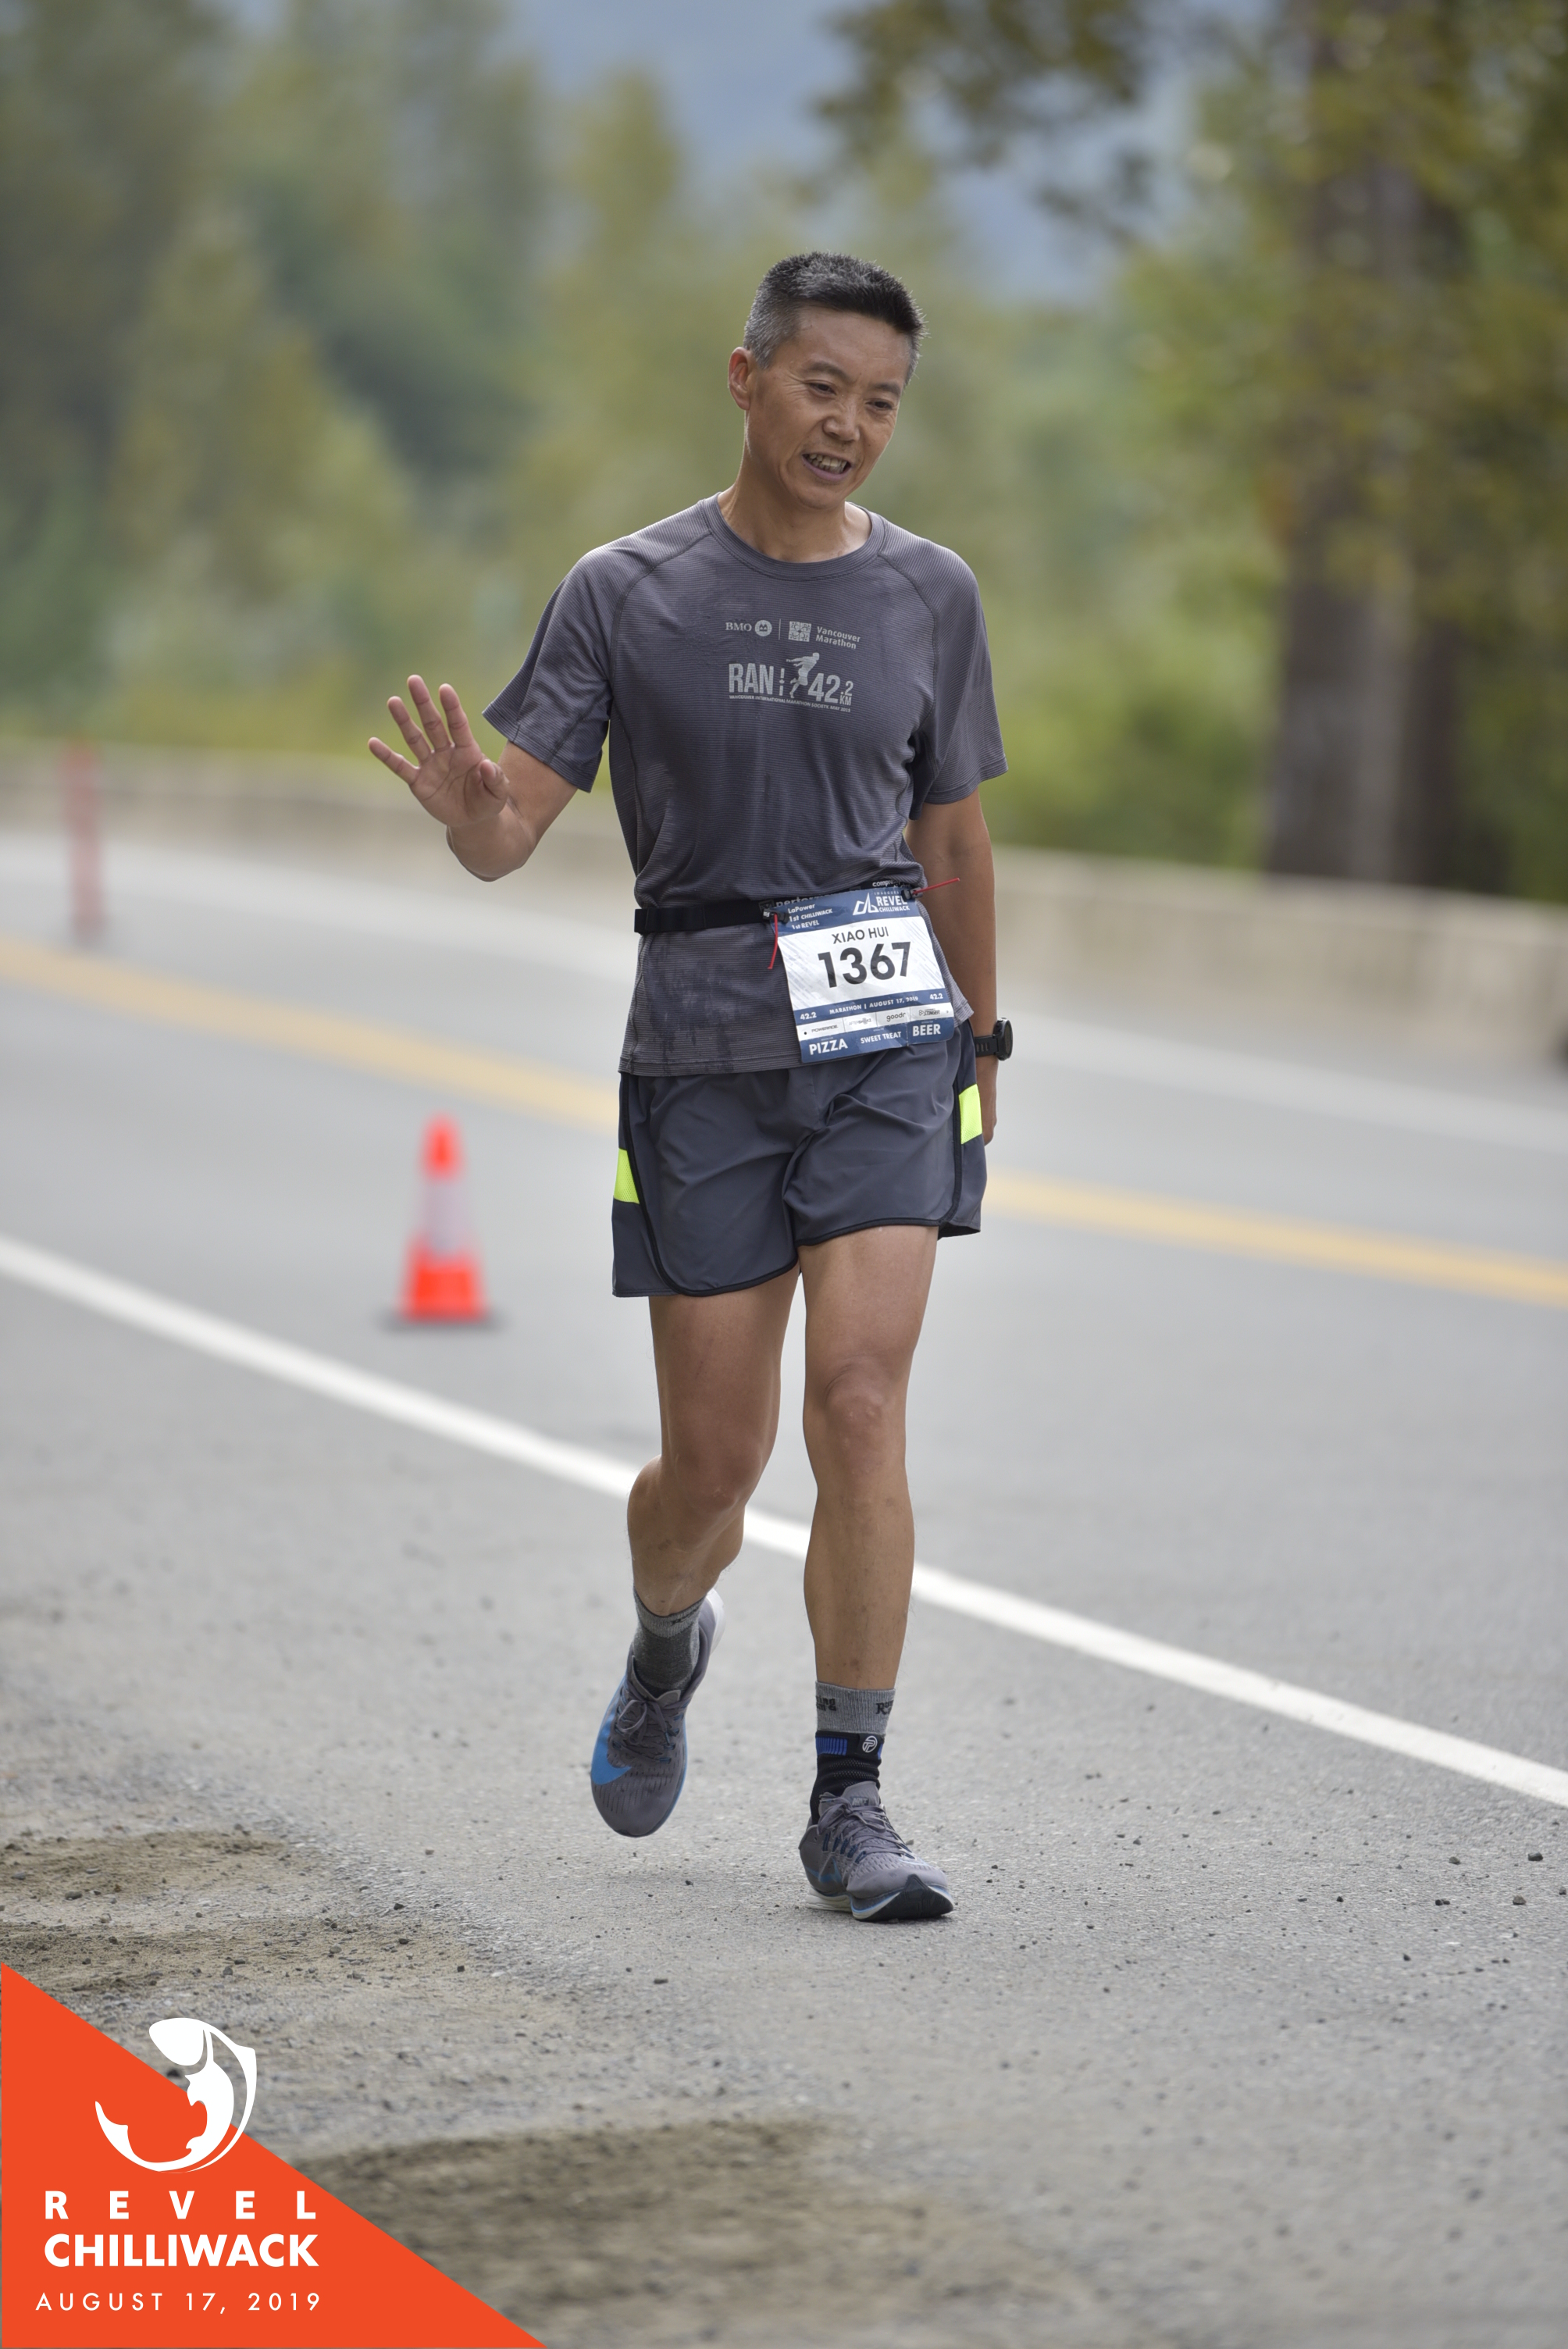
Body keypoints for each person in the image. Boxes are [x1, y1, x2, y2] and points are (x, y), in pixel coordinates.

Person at [369, 251, 1008, 1922]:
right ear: (747, 380)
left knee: (858, 1402)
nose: (848, 426)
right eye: (822, 387)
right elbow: (510, 830)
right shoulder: (626, 591)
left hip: (885, 1042)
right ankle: (667, 1641)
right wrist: (470, 812)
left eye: (881, 403)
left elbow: (950, 835)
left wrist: (981, 1036)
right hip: (703, 1056)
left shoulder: (929, 594)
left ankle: (849, 1799)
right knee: (710, 1475)